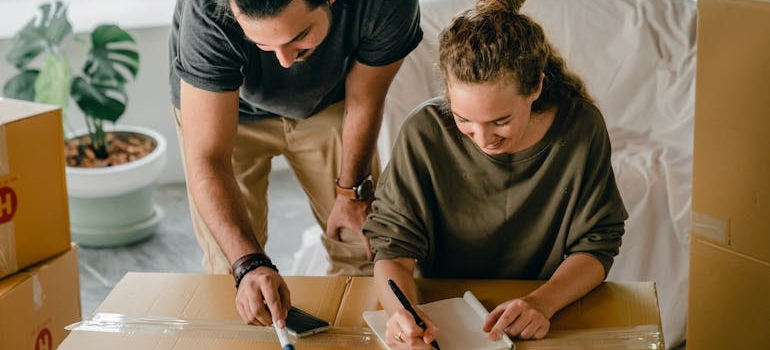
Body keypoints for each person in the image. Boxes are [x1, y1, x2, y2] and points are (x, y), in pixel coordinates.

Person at [363, 0, 628, 348]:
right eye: (463, 121)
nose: (484, 140)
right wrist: (402, 311)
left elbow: (598, 244)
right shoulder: (424, 132)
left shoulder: (580, 128)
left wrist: (541, 303)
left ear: (534, 88)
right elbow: (392, 247)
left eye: (500, 122)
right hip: (440, 317)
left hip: (541, 311)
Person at [168, 0, 422, 328]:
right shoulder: (208, 11)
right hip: (224, 109)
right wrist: (248, 265)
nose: (284, 61)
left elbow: (365, 100)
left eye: (299, 37)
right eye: (261, 43)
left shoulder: (386, 5)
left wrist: (351, 192)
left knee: (361, 249)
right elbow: (209, 159)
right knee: (232, 269)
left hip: (331, 102)